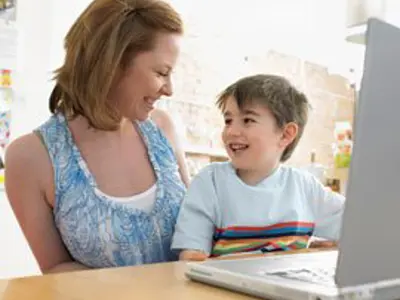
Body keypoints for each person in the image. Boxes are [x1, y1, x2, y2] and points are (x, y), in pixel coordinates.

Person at [5, 0, 190, 273]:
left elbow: (198, 226)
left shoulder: (163, 129)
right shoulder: (31, 157)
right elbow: (56, 269)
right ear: (112, 64)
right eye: (162, 72)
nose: (169, 89)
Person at [171, 74, 345, 261]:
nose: (231, 131)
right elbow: (191, 256)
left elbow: (359, 225)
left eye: (247, 120)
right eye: (228, 121)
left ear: (286, 134)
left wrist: (336, 245)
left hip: (285, 287)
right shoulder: (210, 182)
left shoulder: (305, 187)